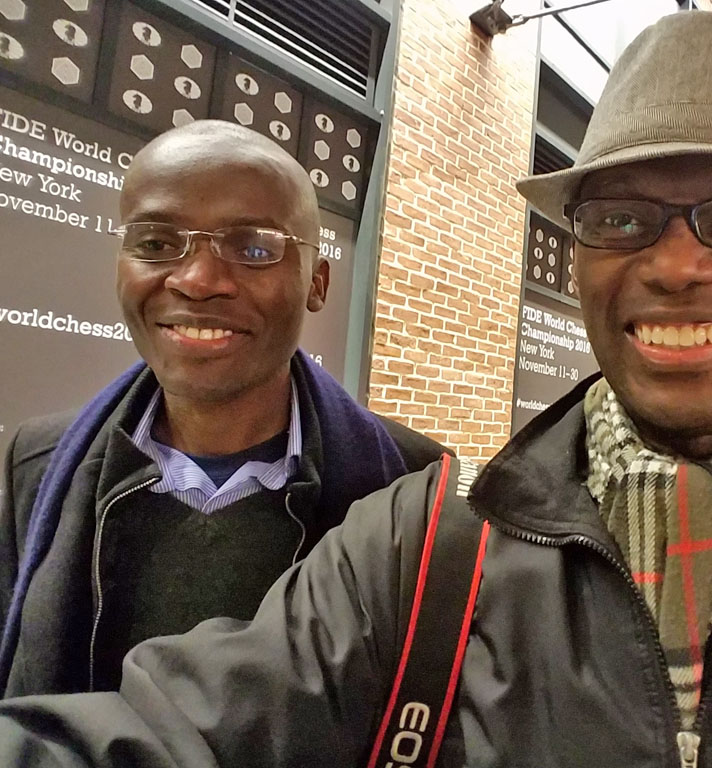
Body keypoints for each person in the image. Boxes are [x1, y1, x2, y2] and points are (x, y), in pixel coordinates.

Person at [1, 12, 712, 767]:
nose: (675, 266)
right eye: (621, 218)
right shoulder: (423, 547)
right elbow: (177, 735)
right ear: (575, 260)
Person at [0, 120, 447, 697]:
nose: (197, 280)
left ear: (318, 282)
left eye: (254, 247)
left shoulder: (413, 491)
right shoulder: (35, 468)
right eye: (158, 244)